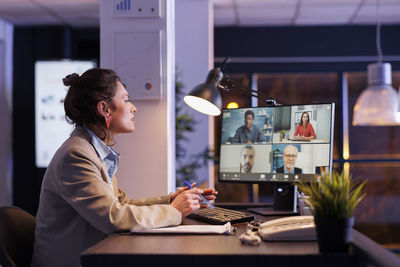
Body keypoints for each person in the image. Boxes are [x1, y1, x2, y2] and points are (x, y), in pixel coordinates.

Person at [31, 68, 216, 267]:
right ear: (105, 109)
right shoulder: (77, 155)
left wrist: (169, 200)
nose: (133, 107)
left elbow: (121, 204)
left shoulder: (93, 149)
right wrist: (174, 211)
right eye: (126, 99)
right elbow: (114, 217)